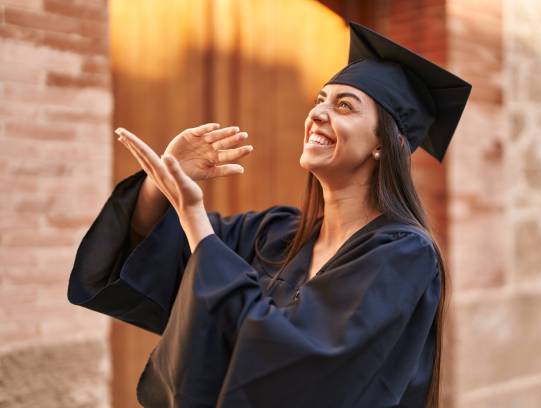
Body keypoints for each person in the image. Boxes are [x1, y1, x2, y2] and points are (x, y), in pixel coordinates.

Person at [67, 22, 471, 407]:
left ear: (386, 143)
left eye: (345, 106)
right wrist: (164, 183)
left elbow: (301, 367)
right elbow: (165, 260)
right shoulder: (277, 234)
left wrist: (193, 214)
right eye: (320, 101)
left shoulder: (402, 254)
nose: (319, 114)